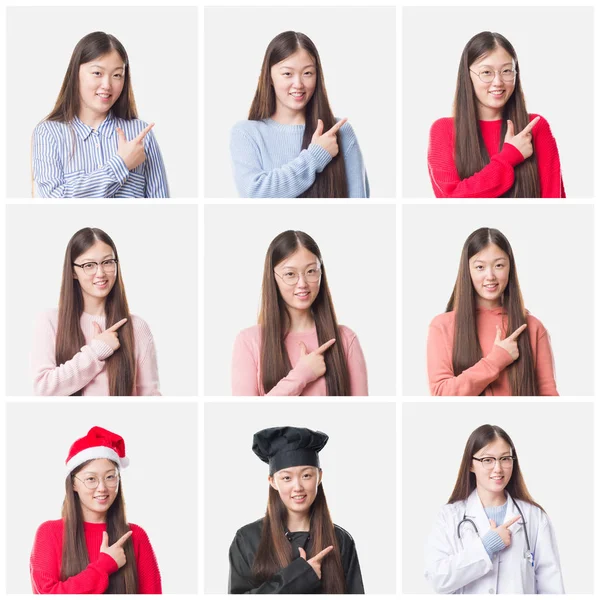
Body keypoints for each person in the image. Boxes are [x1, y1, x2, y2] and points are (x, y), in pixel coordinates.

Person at [424, 424, 564, 594]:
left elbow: (552, 589)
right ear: (470, 464)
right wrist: (487, 546)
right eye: (487, 460)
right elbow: (438, 579)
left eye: (505, 458)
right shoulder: (449, 516)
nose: (498, 468)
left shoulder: (534, 517)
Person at [230, 31, 369, 198]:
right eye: (287, 74)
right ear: (269, 77)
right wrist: (316, 156)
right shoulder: (246, 133)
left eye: (307, 73)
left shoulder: (338, 132)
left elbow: (359, 206)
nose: (298, 84)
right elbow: (255, 194)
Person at [428, 31, 564, 198]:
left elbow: (554, 203)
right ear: (467, 75)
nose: (498, 82)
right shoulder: (443, 130)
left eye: (507, 71)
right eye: (486, 72)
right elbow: (452, 200)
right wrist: (509, 157)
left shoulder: (535, 127)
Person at [32, 31, 169, 198]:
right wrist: (122, 164)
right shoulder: (49, 134)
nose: (107, 85)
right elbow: (53, 201)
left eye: (117, 75)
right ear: (76, 74)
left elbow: (160, 204)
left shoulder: (140, 135)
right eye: (97, 73)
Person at [229, 426, 364, 593]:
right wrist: (299, 577)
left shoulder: (340, 540)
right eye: (286, 478)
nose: (298, 487)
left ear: (319, 476)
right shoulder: (247, 539)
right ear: (272, 481)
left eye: (306, 475)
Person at [231, 230, 368, 396]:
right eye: (290, 274)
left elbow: (360, 415)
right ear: (273, 277)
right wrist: (302, 375)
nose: (302, 283)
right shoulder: (249, 342)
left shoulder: (346, 340)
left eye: (311, 271)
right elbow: (247, 416)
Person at [427, 227, 558, 396]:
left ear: (510, 267)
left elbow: (548, 397)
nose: (490, 276)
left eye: (499, 265)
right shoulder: (442, 326)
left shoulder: (532, 327)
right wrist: (496, 360)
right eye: (480, 267)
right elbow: (441, 394)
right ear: (467, 270)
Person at [30, 426, 162, 594]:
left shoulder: (136, 536)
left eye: (110, 477)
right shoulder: (49, 533)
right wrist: (104, 566)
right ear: (73, 484)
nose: (102, 488)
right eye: (91, 479)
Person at [31, 227, 160, 396]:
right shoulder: (50, 321)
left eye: (107, 262)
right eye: (89, 265)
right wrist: (96, 351)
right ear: (73, 271)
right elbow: (43, 389)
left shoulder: (136, 327)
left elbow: (151, 398)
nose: (100, 273)